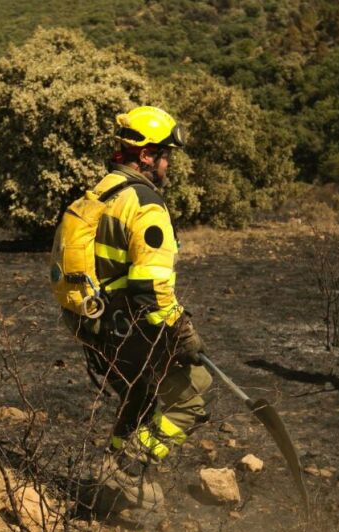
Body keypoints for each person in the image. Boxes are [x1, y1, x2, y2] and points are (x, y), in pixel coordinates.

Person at [75, 106, 211, 511]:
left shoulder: (104, 191)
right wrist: (183, 333)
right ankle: (126, 470)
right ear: (147, 155)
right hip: (130, 324)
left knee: (140, 394)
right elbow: (152, 289)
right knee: (192, 397)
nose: (169, 164)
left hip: (98, 324)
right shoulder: (145, 204)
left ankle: (110, 475)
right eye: (166, 155)